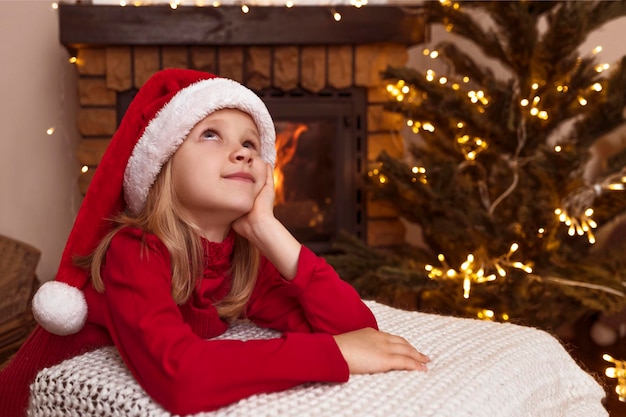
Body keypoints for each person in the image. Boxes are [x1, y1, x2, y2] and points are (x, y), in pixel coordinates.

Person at [0, 69, 429, 416]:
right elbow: (180, 379)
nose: (243, 152)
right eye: (210, 134)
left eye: (249, 143)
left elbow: (356, 329)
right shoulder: (135, 250)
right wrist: (331, 354)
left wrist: (268, 228)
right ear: (161, 166)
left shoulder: (241, 262)